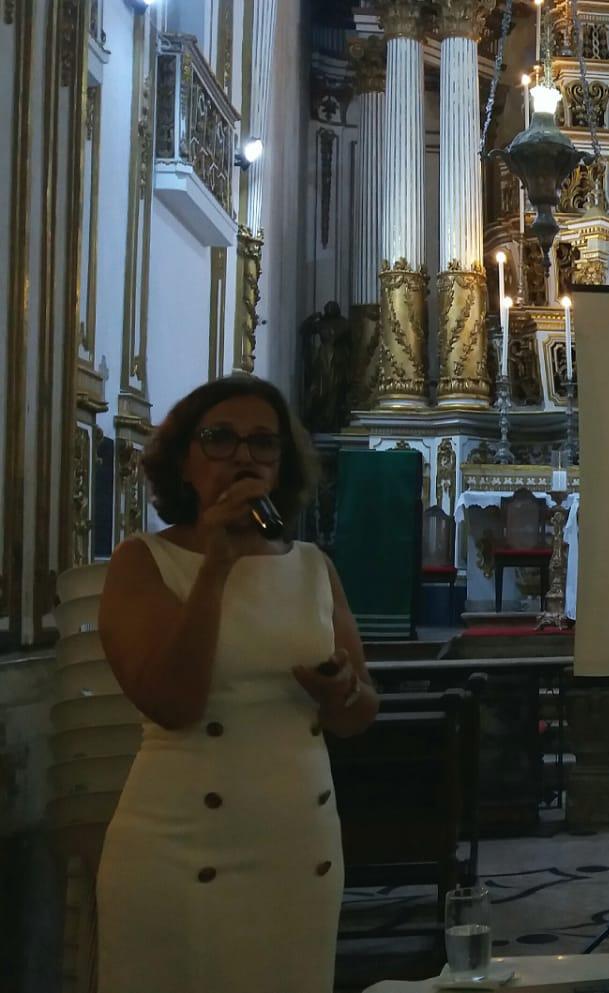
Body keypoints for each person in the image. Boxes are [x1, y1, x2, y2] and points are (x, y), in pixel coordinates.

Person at [95, 375, 379, 993]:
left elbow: (360, 713)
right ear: (184, 458)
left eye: (263, 443)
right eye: (220, 438)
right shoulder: (142, 561)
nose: (244, 456)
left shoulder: (311, 567)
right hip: (183, 848)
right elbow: (173, 701)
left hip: (297, 848)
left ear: (282, 464)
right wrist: (216, 563)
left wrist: (341, 693)